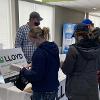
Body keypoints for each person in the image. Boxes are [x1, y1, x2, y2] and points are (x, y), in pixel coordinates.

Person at [61, 23, 100, 100]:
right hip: (92, 90)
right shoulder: (97, 49)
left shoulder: (73, 50)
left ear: (76, 35)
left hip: (76, 90)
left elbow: (67, 70)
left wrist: (62, 64)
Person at [20, 26, 60, 100]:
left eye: (31, 41)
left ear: (37, 38)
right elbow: (52, 64)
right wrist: (34, 63)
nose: (31, 43)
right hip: (53, 87)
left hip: (42, 90)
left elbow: (36, 75)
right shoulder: (54, 47)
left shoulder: (39, 52)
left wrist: (23, 70)